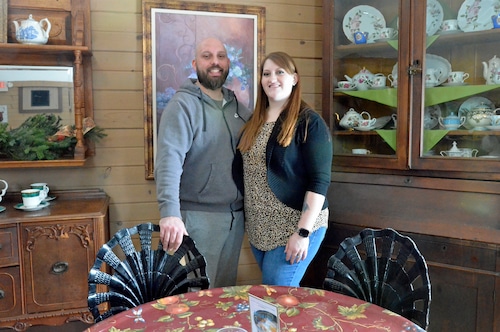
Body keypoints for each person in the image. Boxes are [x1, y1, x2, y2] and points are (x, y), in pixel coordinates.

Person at [155, 37, 252, 288]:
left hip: (234, 218)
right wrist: (169, 213)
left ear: (228, 62)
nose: (215, 62)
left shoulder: (238, 109)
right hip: (198, 218)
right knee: (196, 296)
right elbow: (169, 160)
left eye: (221, 56)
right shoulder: (182, 105)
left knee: (223, 293)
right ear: (195, 63)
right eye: (207, 56)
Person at [236, 51, 333, 286]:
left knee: (276, 295)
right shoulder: (254, 123)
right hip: (260, 230)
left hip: (295, 226)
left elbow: (319, 181)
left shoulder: (309, 122)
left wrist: (302, 233)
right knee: (281, 297)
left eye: (280, 72)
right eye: (266, 73)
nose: (273, 78)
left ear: (294, 79)